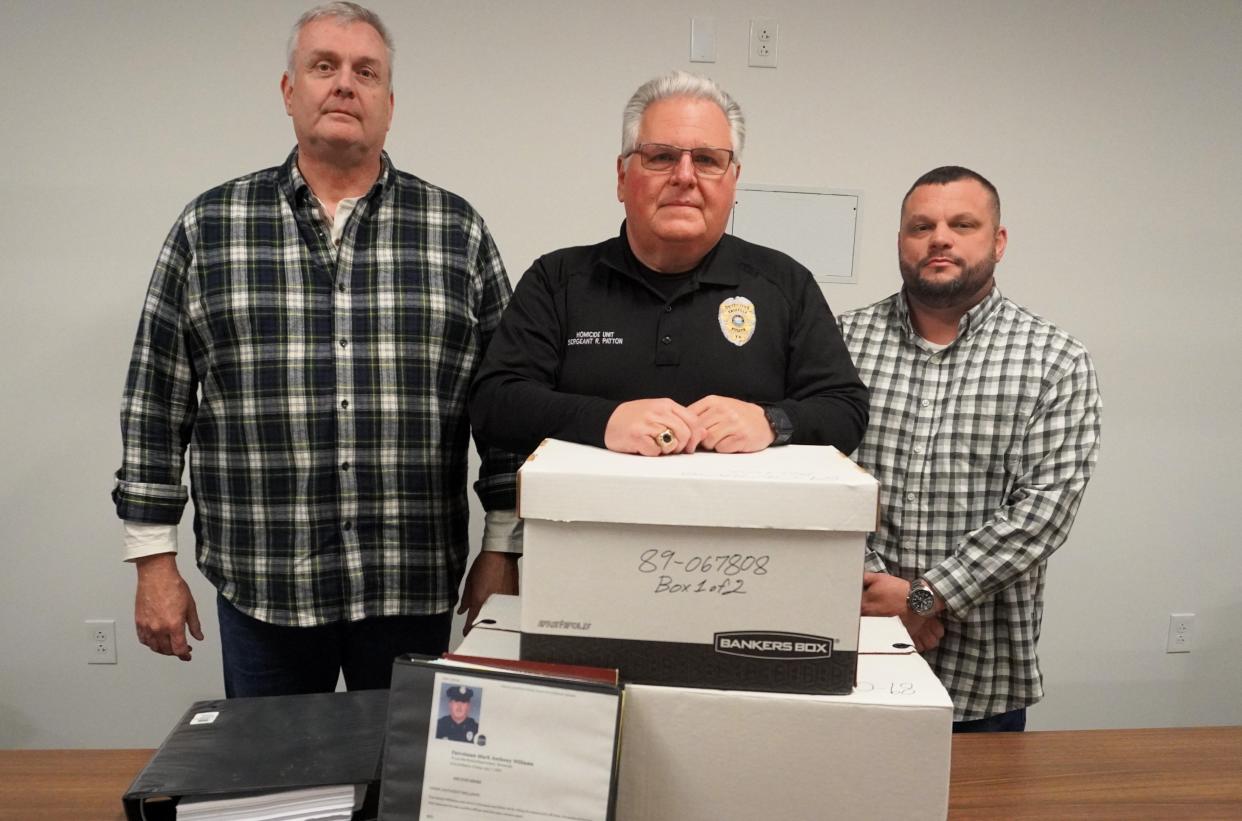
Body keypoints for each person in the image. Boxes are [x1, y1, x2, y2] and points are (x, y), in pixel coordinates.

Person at [113, 2, 522, 697]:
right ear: (288, 90)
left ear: (389, 104)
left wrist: (503, 546)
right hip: (263, 586)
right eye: (323, 66)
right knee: (274, 789)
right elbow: (157, 399)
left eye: (366, 72)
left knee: (398, 789)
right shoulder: (210, 228)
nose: (344, 84)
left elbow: (506, 410)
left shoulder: (459, 233)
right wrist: (153, 559)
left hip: (411, 582)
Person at [469, 70, 868, 462]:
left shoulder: (786, 284)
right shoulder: (557, 280)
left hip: (742, 526)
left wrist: (771, 421)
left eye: (708, 160)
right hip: (588, 526)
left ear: (734, 181)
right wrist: (605, 420)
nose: (684, 176)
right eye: (661, 156)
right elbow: (495, 403)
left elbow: (845, 409)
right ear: (622, 177)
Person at [838, 166, 1102, 732]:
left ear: (997, 242)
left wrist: (925, 599)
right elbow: (811, 477)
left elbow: (1043, 513)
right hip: (846, 653)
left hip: (981, 681)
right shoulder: (839, 343)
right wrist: (871, 588)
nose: (940, 238)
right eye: (921, 225)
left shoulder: (1055, 361)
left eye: (962, 224)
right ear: (901, 240)